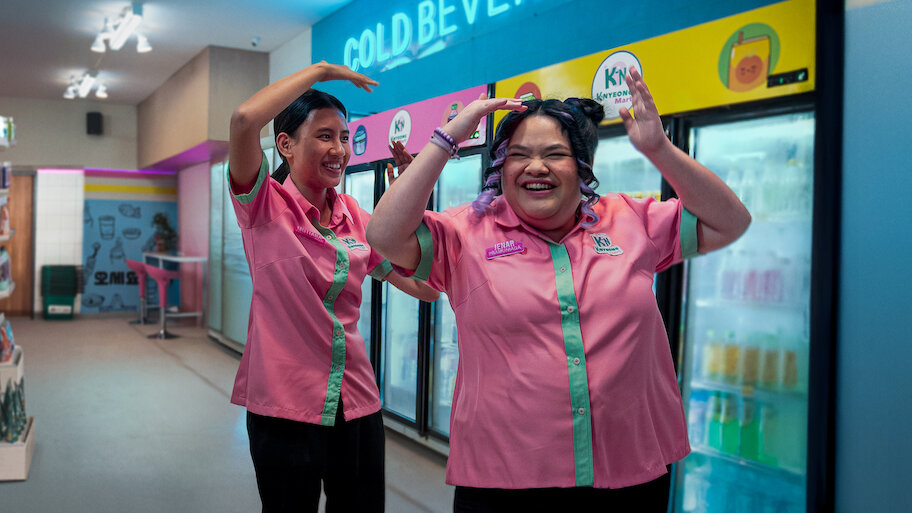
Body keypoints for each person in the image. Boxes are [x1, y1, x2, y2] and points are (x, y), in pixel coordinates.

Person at [366, 67, 751, 512]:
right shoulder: (464, 232)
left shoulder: (629, 219)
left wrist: (658, 149)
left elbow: (730, 222)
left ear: (581, 167)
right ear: (500, 168)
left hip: (629, 470)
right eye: (519, 155)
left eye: (555, 154)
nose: (536, 167)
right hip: (505, 478)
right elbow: (383, 236)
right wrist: (448, 139)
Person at [227, 61, 439, 512]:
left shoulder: (355, 215)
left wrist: (413, 199)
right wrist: (322, 71)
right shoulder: (263, 206)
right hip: (284, 406)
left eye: (344, 137)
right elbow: (244, 120)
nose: (339, 149)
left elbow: (425, 287)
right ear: (285, 144)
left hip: (356, 401)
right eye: (325, 136)